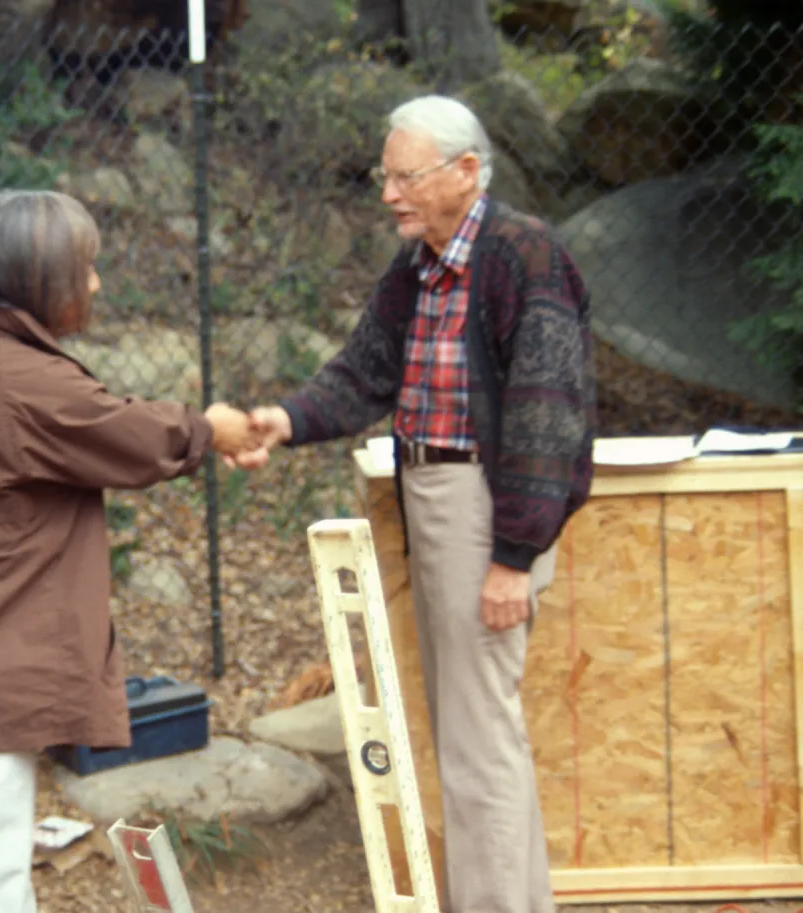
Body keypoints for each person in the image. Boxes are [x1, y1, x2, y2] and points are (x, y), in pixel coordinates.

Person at [234, 95, 596, 913]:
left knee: (478, 743)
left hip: (485, 506)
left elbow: (547, 414)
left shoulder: (523, 255)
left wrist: (512, 557)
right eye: (384, 175)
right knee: (474, 736)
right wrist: (282, 422)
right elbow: (364, 371)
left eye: (406, 176)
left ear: (466, 172)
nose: (390, 192)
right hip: (436, 497)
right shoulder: (421, 264)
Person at [0, 189, 259, 913]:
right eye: (84, 269)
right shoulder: (16, 381)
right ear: (38, 282)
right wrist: (211, 429)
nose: (95, 284)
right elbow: (126, 433)